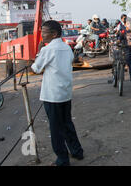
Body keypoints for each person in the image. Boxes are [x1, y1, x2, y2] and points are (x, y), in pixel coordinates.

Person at [31, 20, 84, 166]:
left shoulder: (47, 50)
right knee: (67, 123)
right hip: (65, 92)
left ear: (54, 34)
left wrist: (39, 50)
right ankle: (77, 151)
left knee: (56, 129)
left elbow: (35, 68)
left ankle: (62, 160)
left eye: (44, 32)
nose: (42, 35)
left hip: (52, 95)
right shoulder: (66, 48)